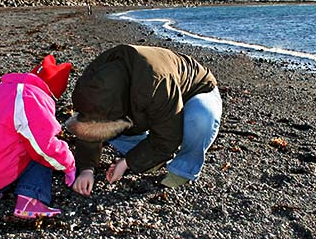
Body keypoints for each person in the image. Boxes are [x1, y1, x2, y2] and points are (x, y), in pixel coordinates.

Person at [65, 44, 222, 197]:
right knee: (118, 134)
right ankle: (150, 158)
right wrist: (87, 169)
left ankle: (184, 168)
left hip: (195, 92)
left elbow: (168, 138)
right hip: (142, 103)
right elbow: (89, 124)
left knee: (200, 120)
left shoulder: (157, 81)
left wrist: (127, 163)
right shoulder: (94, 79)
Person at [0, 55, 76, 219]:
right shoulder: (31, 97)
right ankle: (31, 200)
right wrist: (68, 165)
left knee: (3, 138)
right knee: (41, 153)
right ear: (52, 92)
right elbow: (45, 145)